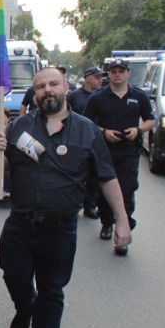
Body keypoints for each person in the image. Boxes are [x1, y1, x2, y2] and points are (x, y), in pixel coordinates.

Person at [0, 67, 132, 328]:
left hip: (60, 229)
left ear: (66, 87)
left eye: (53, 84)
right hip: (20, 224)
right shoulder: (18, 127)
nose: (46, 90)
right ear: (36, 94)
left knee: (52, 291)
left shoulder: (87, 131)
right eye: (40, 86)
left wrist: (122, 222)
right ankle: (25, 307)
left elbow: (107, 177)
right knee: (14, 275)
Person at [82, 57, 154, 255]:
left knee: (127, 189)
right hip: (104, 151)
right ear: (109, 74)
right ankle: (107, 224)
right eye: (113, 71)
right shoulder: (98, 97)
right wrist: (104, 131)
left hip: (129, 151)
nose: (117, 74)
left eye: (121, 71)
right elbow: (86, 123)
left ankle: (124, 231)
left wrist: (138, 130)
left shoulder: (139, 96)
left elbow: (150, 121)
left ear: (128, 73)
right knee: (104, 189)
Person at [67, 67, 106, 219]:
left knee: (93, 177)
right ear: (87, 78)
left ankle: (90, 207)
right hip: (76, 140)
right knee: (75, 175)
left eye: (101, 77)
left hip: (96, 140)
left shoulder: (103, 96)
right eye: (97, 77)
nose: (100, 80)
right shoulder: (74, 96)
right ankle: (72, 205)